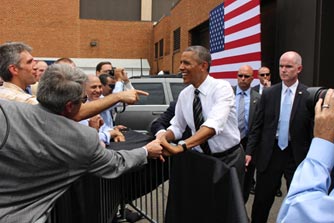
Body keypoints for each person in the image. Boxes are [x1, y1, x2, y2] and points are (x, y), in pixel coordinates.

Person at [0, 63, 163, 223]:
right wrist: (146, 151)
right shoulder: (83, 139)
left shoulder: (6, 111)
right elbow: (115, 163)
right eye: (83, 99)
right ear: (71, 106)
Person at [160, 45, 245, 185]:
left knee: (228, 206)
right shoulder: (185, 95)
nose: (181, 67)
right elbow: (177, 126)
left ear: (203, 66)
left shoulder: (222, 88)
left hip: (228, 160)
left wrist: (181, 146)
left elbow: (213, 126)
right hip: (201, 160)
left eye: (186, 63)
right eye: (181, 62)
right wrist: (162, 138)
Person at [245, 51, 313, 223]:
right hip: (271, 152)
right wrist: (249, 151)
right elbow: (257, 126)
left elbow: (311, 130)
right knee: (262, 201)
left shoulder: (308, 96)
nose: (283, 70)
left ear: (299, 69)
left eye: (288, 66)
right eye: (281, 66)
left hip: (296, 155)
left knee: (298, 201)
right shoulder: (269, 94)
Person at [0, 42, 147, 121]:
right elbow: (72, 113)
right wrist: (119, 96)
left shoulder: (29, 90)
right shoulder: (10, 97)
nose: (36, 65)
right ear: (14, 69)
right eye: (30, 61)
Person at [277, 88, 334, 222]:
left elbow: (296, 215)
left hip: (297, 152)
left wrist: (323, 141)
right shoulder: (271, 93)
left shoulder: (302, 91)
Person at [233, 64, 260, 203]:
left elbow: (257, 128)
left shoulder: (259, 98)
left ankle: (241, 211)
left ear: (252, 78)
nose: (242, 79)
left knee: (246, 180)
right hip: (229, 143)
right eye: (240, 76)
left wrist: (250, 151)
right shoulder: (227, 94)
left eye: (246, 76)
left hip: (249, 144)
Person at [80, 74, 125, 145]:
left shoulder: (100, 100)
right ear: (84, 89)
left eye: (100, 87)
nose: (98, 90)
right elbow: (86, 139)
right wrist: (111, 133)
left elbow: (104, 128)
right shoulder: (80, 109)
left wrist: (116, 132)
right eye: (93, 87)